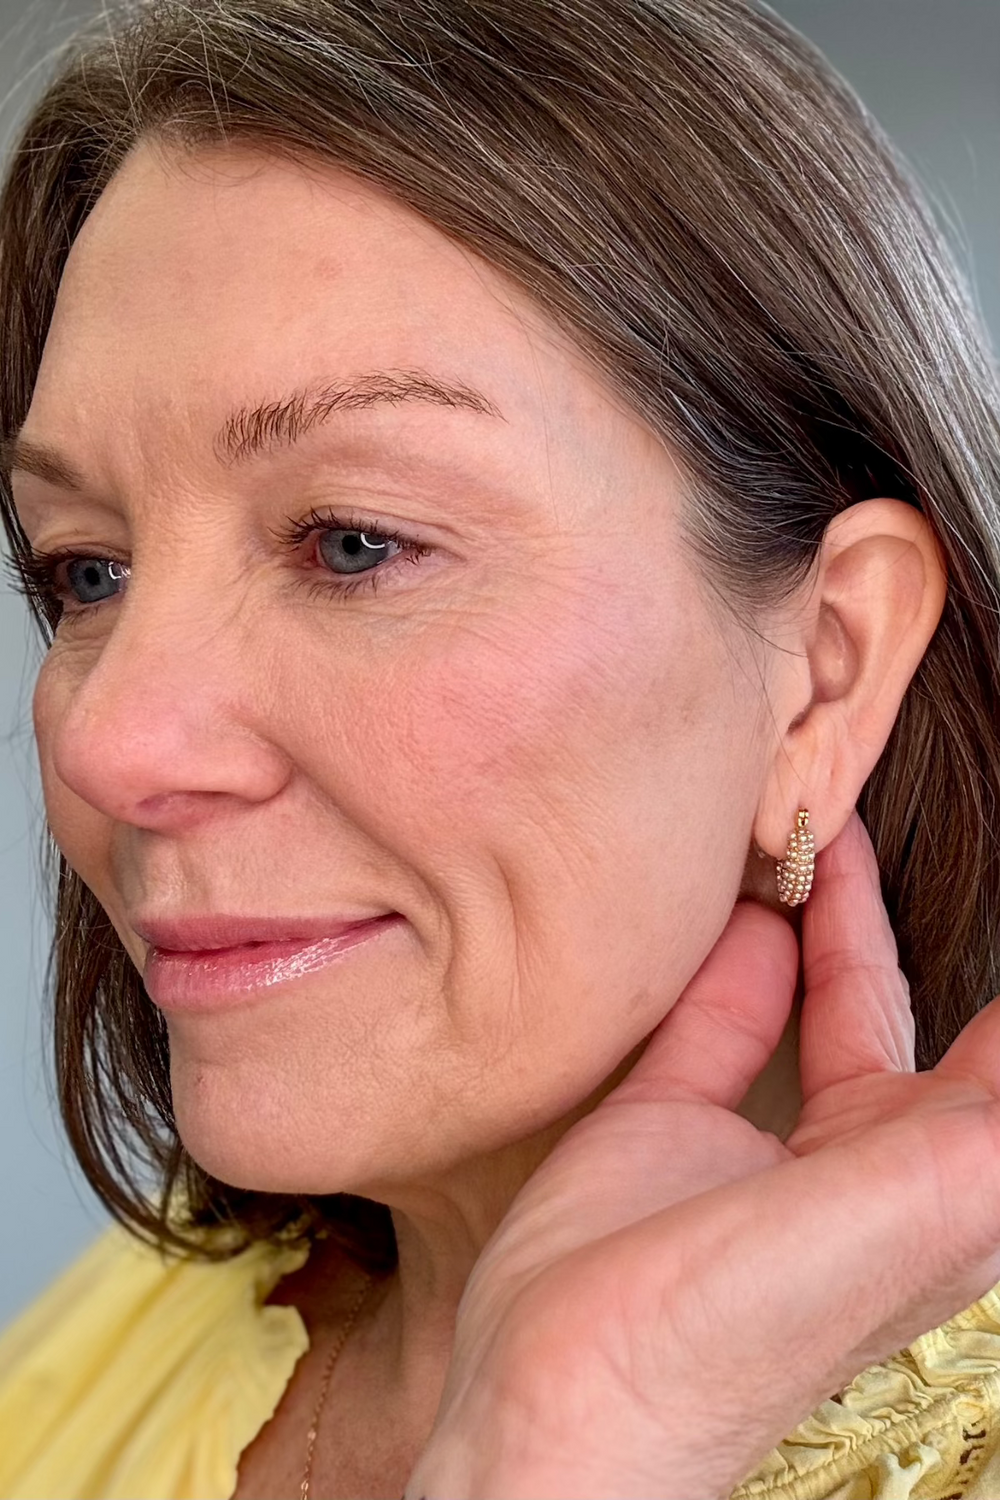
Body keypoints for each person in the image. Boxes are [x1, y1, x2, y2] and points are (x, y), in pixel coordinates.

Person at [2, 0, 1000, 1495]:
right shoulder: (110, 1347)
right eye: (90, 570)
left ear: (826, 675)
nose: (109, 740)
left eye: (353, 543)